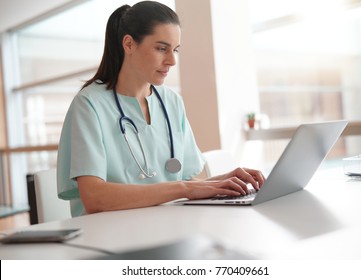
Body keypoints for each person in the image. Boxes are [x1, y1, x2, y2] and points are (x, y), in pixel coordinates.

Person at [57, 1, 265, 217]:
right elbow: (95, 197)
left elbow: (181, 183)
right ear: (128, 44)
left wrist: (223, 181)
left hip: (165, 224)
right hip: (109, 234)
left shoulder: (171, 102)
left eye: (175, 50)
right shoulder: (90, 104)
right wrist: (185, 188)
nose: (172, 60)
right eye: (161, 48)